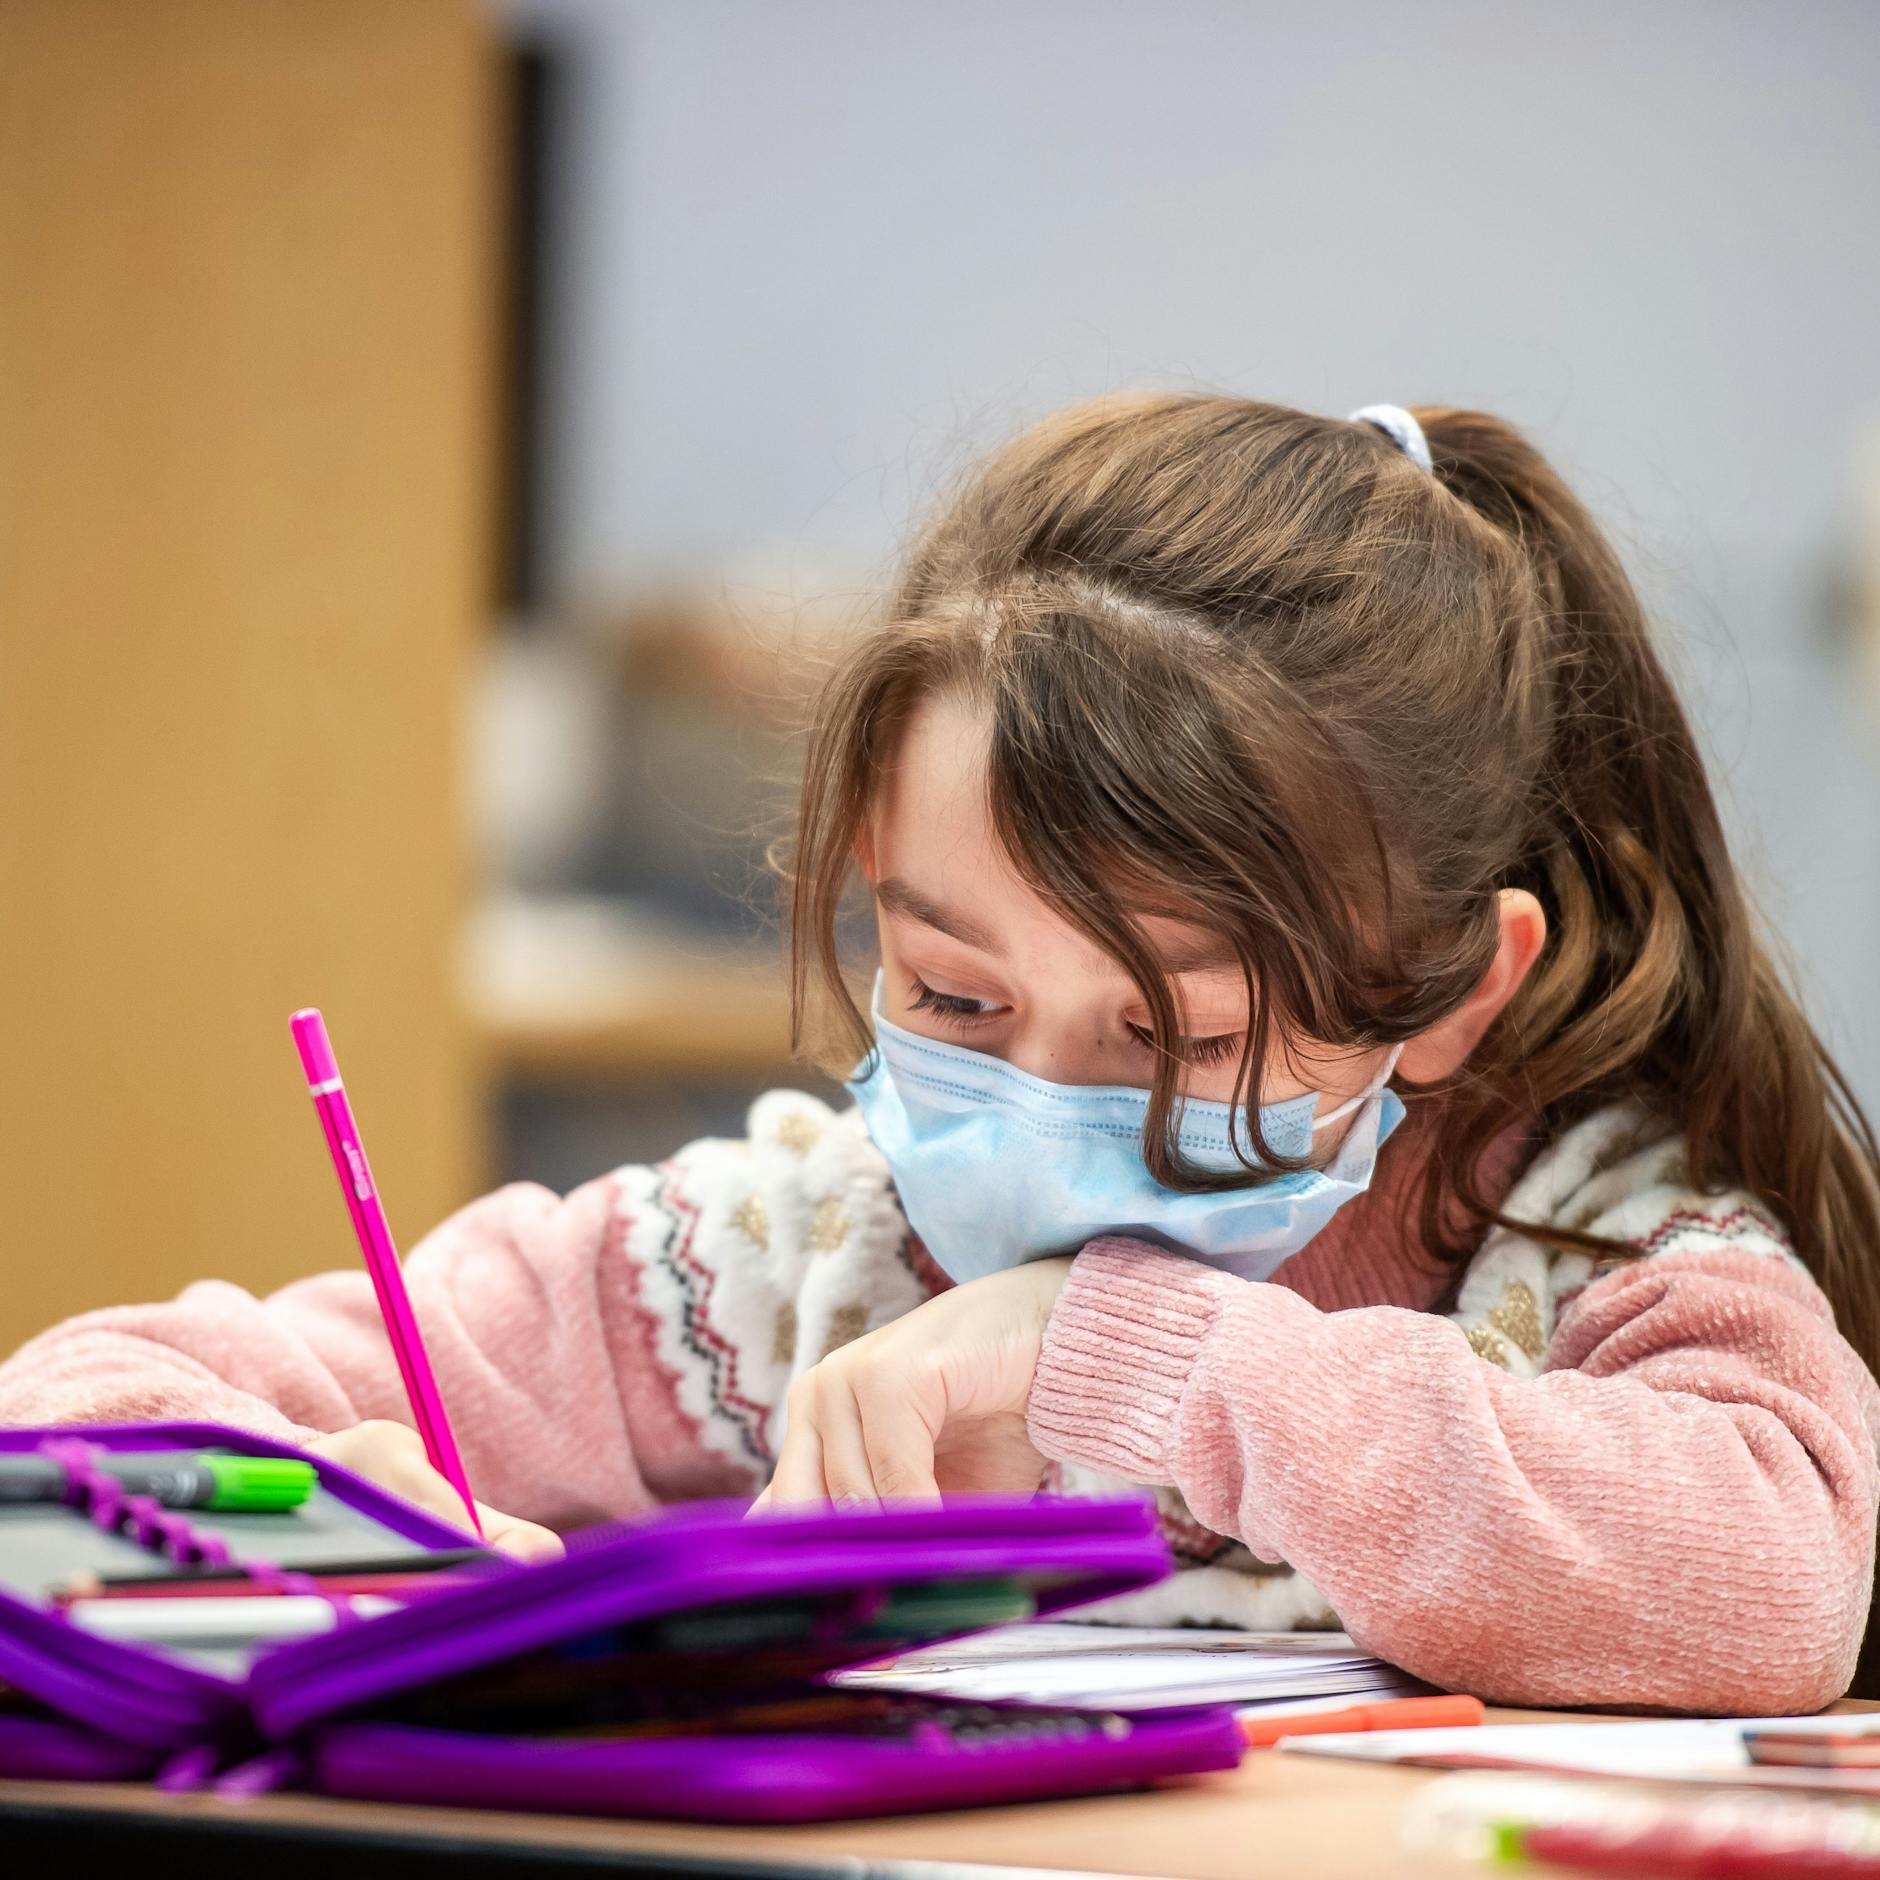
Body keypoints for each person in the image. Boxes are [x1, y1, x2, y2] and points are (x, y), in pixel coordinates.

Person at [5, 395, 1877, 1713]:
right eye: (957, 998)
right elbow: (64, 1414)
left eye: (1181, 1032)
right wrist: (317, 1512)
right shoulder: (797, 1259)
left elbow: (1779, 1586)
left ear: (1457, 993)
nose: (1042, 1109)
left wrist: (1118, 1351)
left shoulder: (1588, 1244)